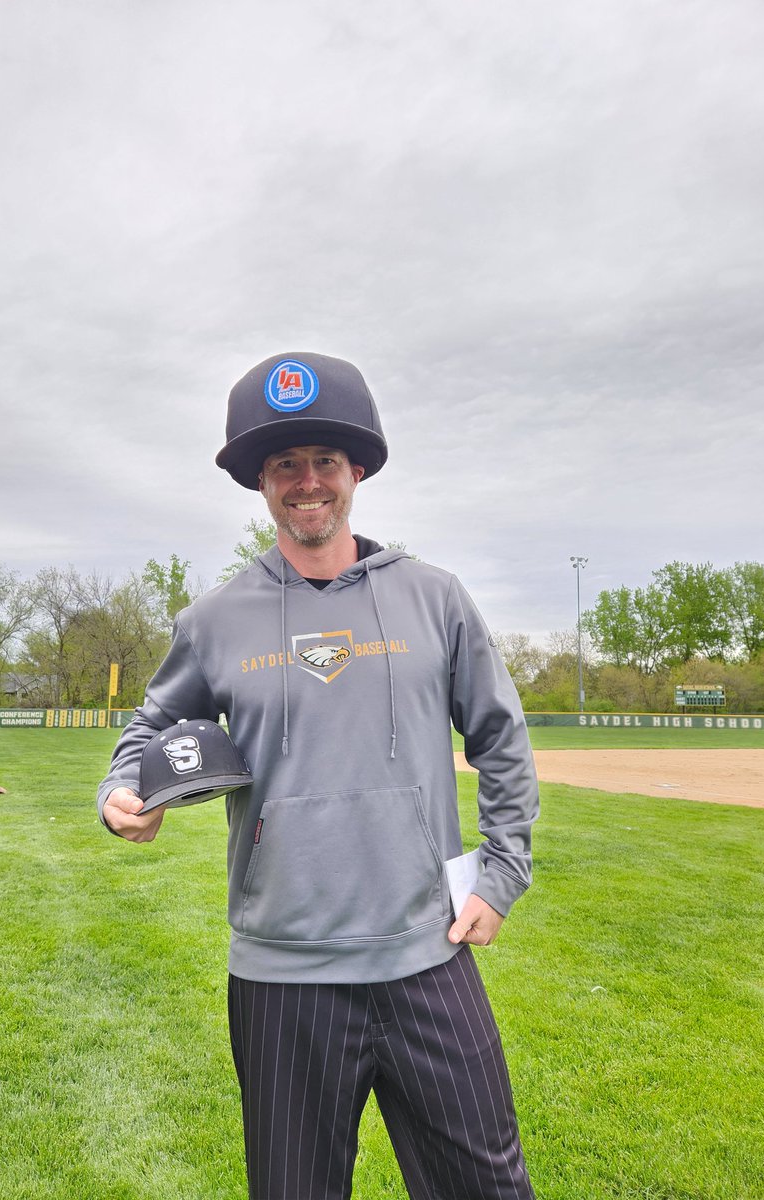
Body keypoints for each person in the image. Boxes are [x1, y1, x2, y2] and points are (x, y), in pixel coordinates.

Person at [97, 352, 539, 1200]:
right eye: (284, 465)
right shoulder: (216, 619)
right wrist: (126, 791)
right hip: (281, 977)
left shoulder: (434, 598)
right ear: (261, 483)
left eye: (324, 461)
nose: (307, 482)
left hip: (427, 959)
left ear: (357, 469)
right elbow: (148, 727)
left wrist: (503, 870)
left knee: (487, 1187)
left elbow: (500, 737)